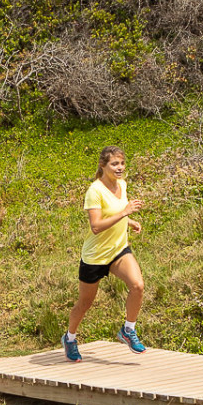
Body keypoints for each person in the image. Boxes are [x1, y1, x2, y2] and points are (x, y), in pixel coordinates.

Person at [63, 146, 146, 361]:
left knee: (137, 286)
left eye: (122, 163)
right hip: (95, 257)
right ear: (103, 165)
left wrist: (129, 220)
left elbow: (115, 212)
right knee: (85, 304)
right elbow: (96, 226)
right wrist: (125, 212)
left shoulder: (122, 184)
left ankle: (128, 330)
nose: (120, 168)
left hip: (118, 250)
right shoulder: (95, 191)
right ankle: (70, 338)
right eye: (114, 164)